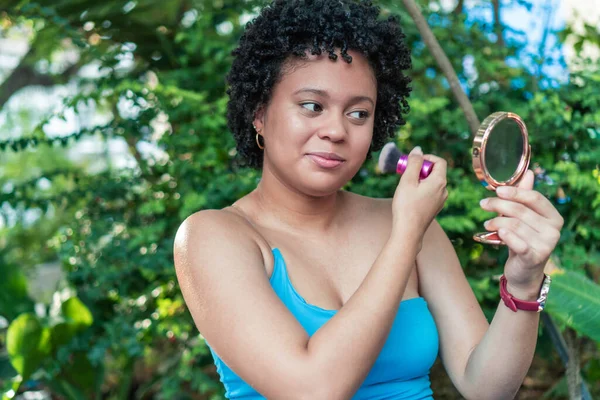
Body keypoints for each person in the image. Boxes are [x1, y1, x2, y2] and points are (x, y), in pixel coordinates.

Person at [173, 0, 564, 398]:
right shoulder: (212, 236)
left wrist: (524, 279)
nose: (336, 130)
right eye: (312, 106)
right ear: (259, 113)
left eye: (359, 113)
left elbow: (486, 388)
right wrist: (405, 235)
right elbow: (313, 390)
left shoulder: (409, 224)